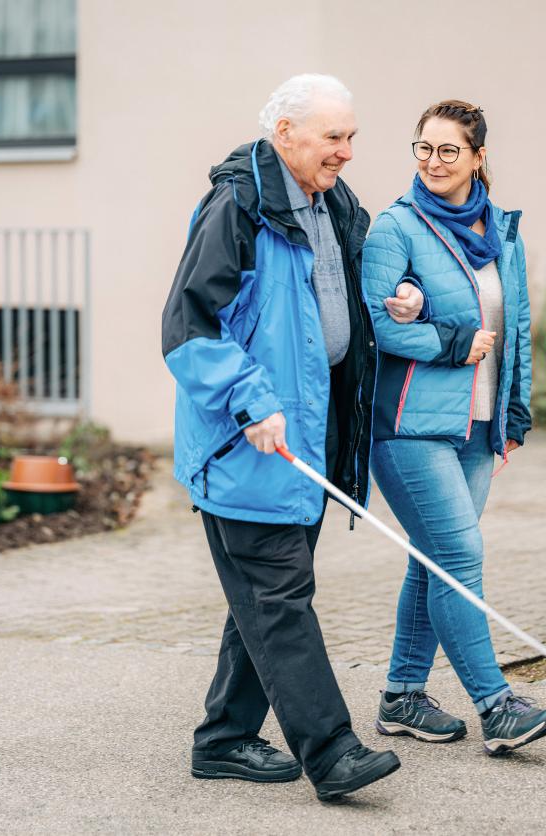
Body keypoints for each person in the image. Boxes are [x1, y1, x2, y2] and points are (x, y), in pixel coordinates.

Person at [160, 74, 424, 800]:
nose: (346, 151)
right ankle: (332, 751)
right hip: (246, 447)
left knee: (265, 598)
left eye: (351, 137)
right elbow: (187, 331)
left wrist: (399, 297)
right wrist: (250, 400)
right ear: (285, 135)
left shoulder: (332, 203)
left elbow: (347, 290)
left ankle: (224, 739)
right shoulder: (238, 206)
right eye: (333, 137)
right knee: (279, 597)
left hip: (306, 445)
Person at [360, 100, 546, 755]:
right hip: (409, 428)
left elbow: (519, 330)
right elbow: (379, 326)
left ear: (477, 157)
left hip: (476, 430)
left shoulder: (502, 230)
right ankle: (496, 707)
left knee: (433, 564)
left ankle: (402, 697)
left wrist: (514, 413)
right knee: (459, 558)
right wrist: (448, 341)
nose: (432, 161)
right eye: (423, 147)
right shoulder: (397, 228)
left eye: (448, 150)